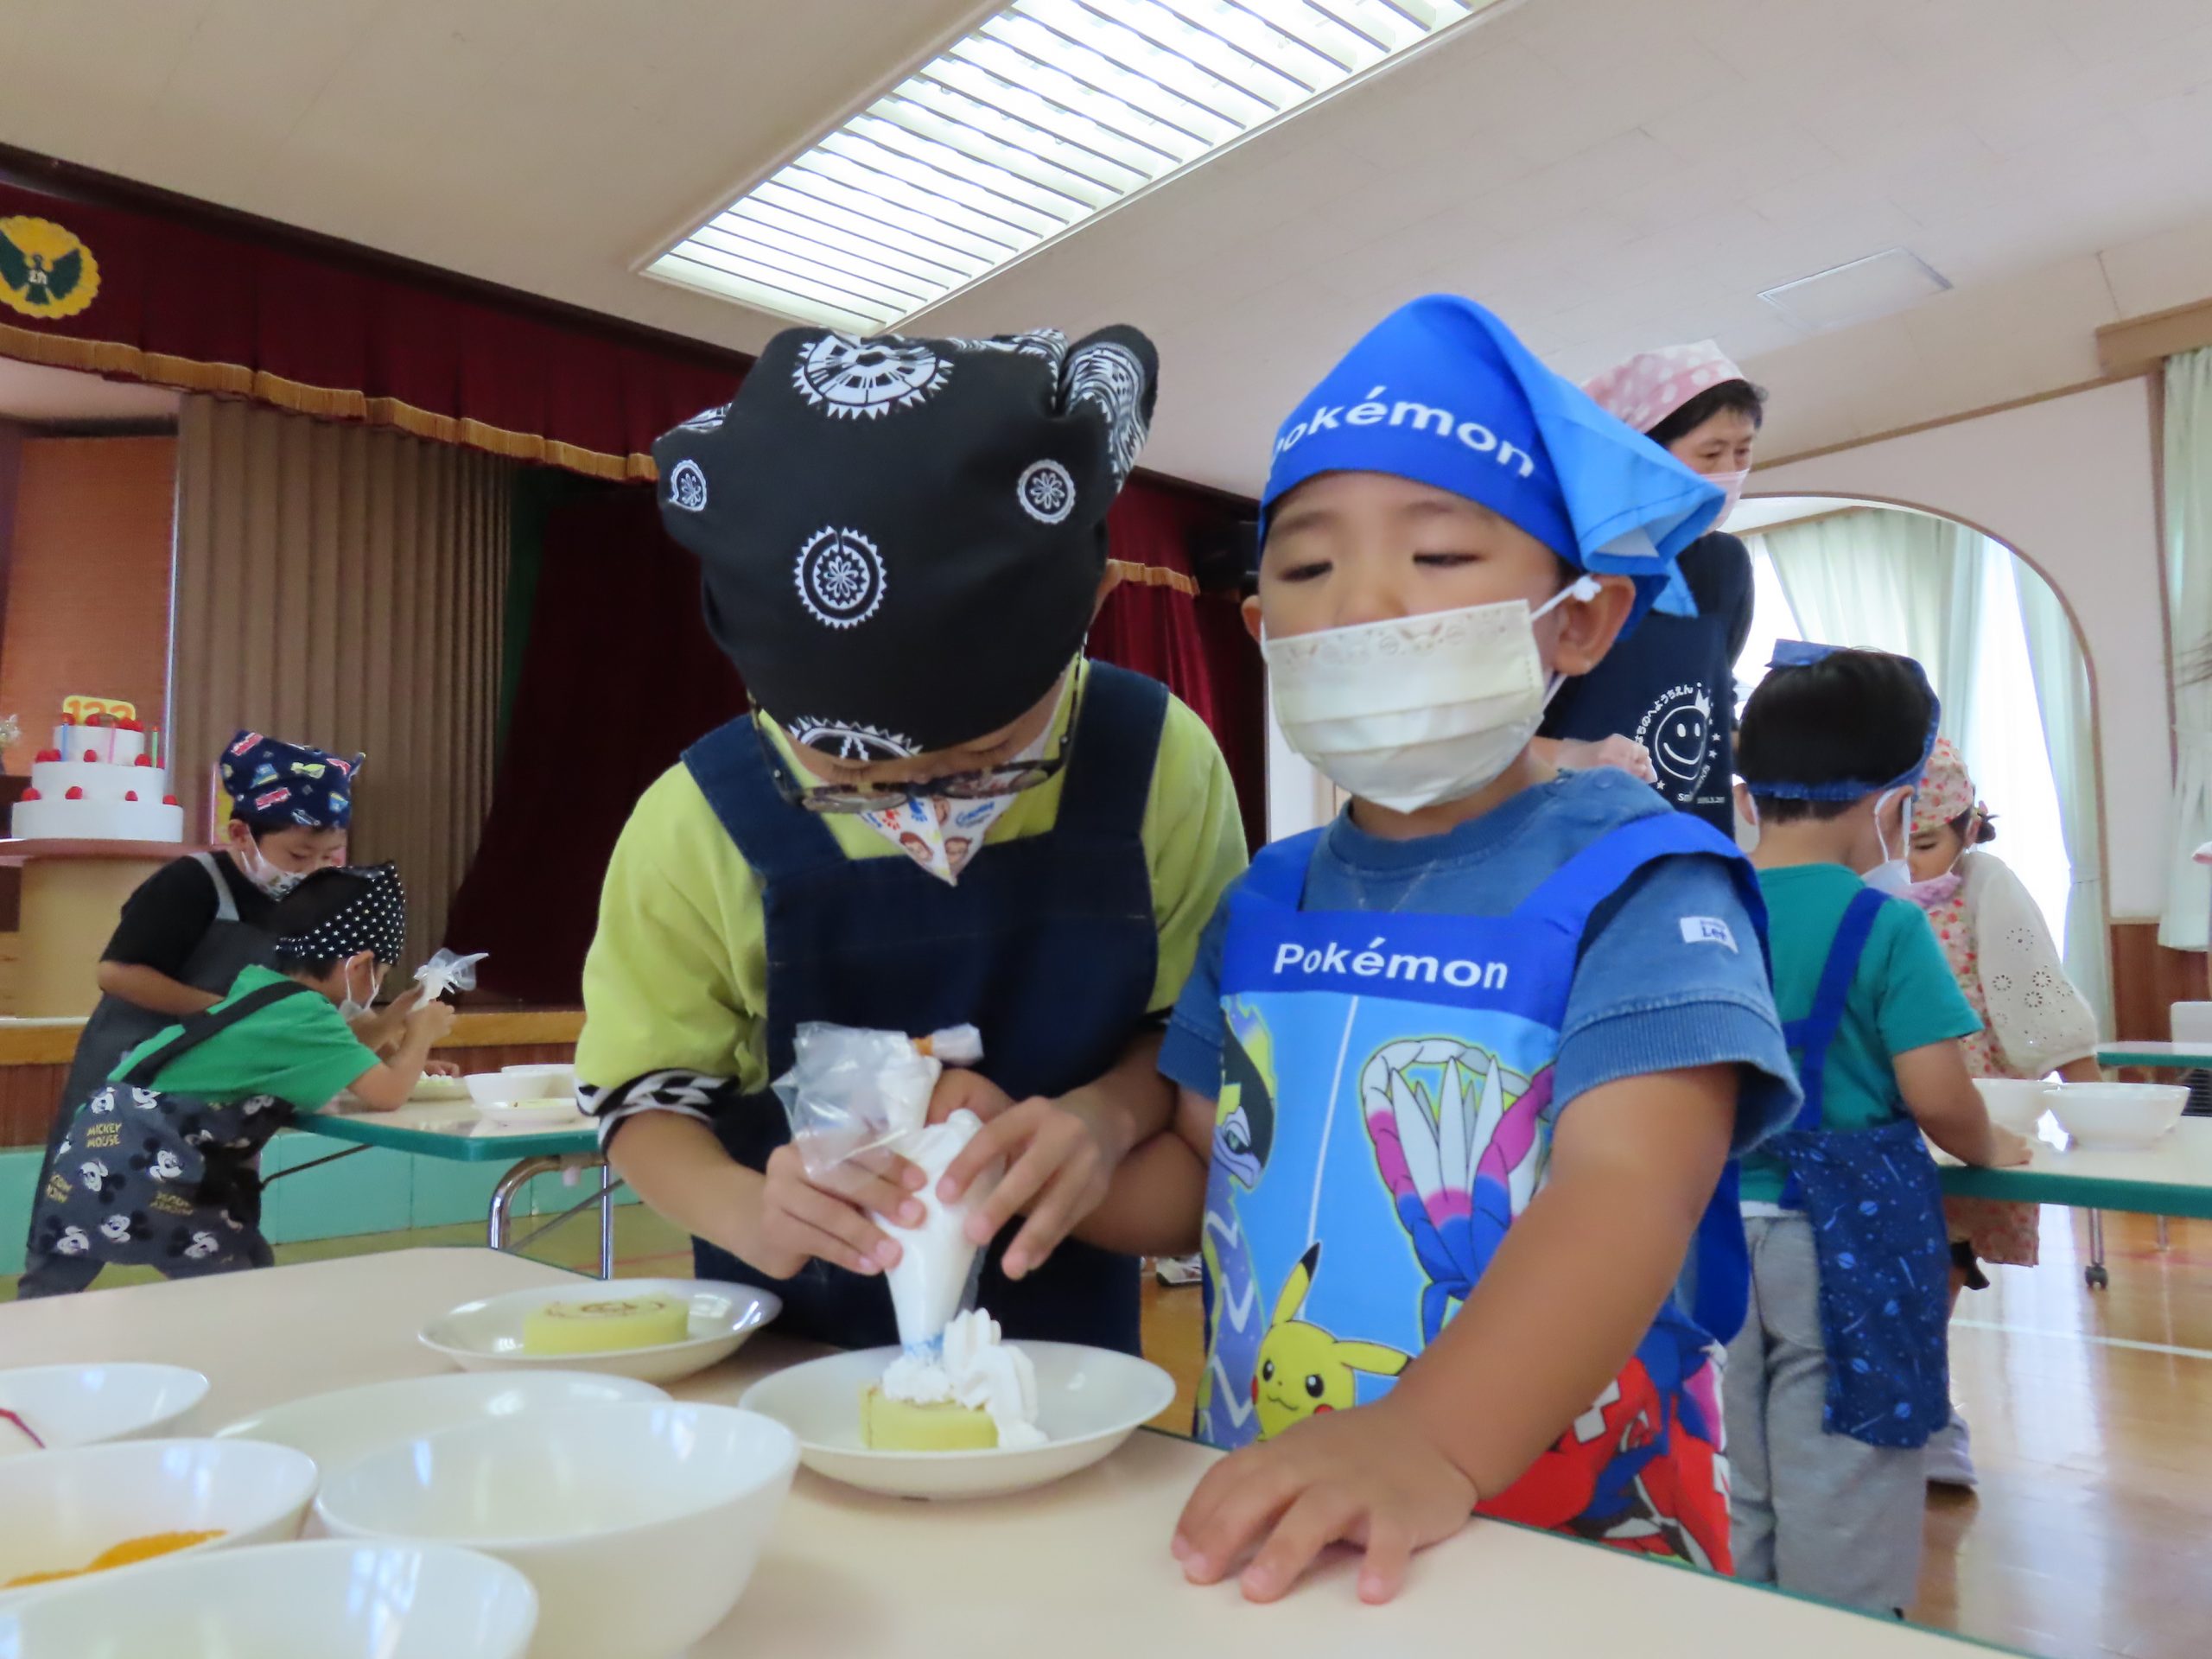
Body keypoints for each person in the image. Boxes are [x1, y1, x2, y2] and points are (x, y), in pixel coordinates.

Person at [1084, 295, 1799, 1603]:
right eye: (1307, 570)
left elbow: (1626, 1189)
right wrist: (1031, 1176)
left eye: (1440, 555)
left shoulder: (1643, 882)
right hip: (1284, 1515)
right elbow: (1200, 1172)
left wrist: (1425, 1438)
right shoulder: (1268, 896)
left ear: (1581, 622)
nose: (1362, 605)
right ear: (1261, 633)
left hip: (1562, 1539)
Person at [575, 323, 1249, 1357]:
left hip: (1069, 1351)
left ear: (1090, 607)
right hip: (785, 1345)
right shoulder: (696, 819)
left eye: (984, 757)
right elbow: (643, 1100)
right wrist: (750, 1210)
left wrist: (1105, 1118)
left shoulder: (1159, 762)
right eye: (850, 779)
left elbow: (1188, 1031)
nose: (925, 809)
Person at [1727, 647, 2032, 1616]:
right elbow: (1938, 1094)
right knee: (1845, 1468)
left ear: (1747, 795)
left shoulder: (1703, 909)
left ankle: (1731, 1626)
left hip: (1706, 1229)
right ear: (1896, 807)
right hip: (1845, 1244)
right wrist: (1992, 1148)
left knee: (1732, 1469)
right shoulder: (1886, 925)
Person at [20, 863, 453, 1297]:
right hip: (156, 1166)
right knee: (239, 1286)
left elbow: (344, 1055)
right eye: (382, 973)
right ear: (358, 966)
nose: (380, 985)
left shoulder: (263, 988)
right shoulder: (307, 1019)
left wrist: (399, 1018)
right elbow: (386, 1093)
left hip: (93, 1144)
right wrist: (421, 1035)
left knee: (52, 1286)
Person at [25, 733, 367, 1276]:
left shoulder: (310, 905)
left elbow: (312, 1001)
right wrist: (226, 1015)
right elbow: (116, 973)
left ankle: (226, 1321)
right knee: (73, 1230)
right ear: (240, 833)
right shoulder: (191, 883)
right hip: (130, 1077)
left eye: (330, 856)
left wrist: (387, 1048)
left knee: (223, 1241)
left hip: (217, 1099)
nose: (314, 869)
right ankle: (41, 1314)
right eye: (299, 855)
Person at [1906, 738, 2102, 1487]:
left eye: (1927, 844)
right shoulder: (1864, 886)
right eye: (1898, 842)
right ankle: (1903, 1406)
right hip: (1880, 1109)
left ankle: (1927, 1412)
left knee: (1946, 1252)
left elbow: (2039, 993)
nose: (1909, 863)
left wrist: (2093, 1110)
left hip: (1965, 1109)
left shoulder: (1988, 887)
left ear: (1968, 828)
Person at [1536, 342, 1764, 835]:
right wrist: (1575, 756)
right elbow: (1484, 743)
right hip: (1562, 828)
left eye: (1743, 452)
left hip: (1683, 831)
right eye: (1710, 453)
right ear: (1642, 455)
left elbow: (1707, 709)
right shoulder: (1565, 566)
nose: (1728, 471)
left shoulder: (1724, 566)